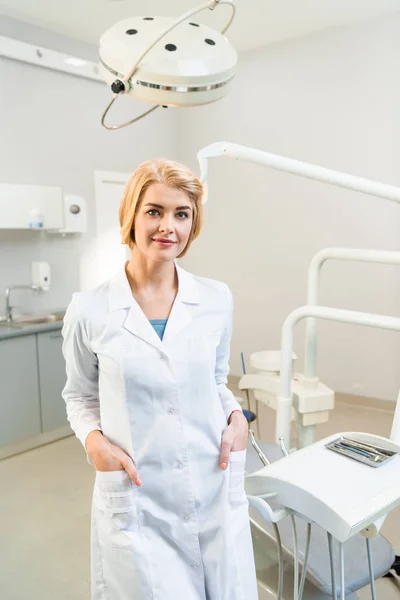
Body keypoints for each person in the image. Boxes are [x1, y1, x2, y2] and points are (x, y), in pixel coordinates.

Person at [61, 159, 259, 600]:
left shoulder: (215, 298)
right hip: (137, 497)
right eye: (154, 211)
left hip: (211, 481)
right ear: (131, 215)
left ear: (193, 224)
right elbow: (78, 395)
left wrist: (235, 416)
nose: (167, 226)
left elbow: (215, 378)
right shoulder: (89, 310)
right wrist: (95, 444)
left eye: (181, 214)